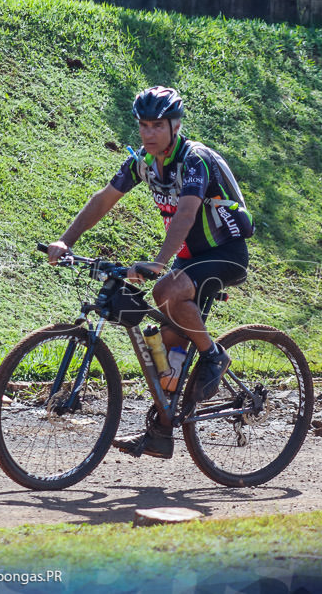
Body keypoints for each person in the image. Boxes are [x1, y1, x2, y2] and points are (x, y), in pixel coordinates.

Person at [47, 86, 254, 459]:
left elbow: (187, 214)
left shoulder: (195, 161)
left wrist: (159, 263)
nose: (148, 133)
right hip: (190, 257)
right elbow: (103, 199)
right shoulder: (142, 162)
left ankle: (213, 356)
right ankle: (161, 433)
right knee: (166, 358)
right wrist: (65, 241)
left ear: (175, 126)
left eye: (157, 125)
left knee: (166, 290)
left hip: (227, 251)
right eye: (143, 125)